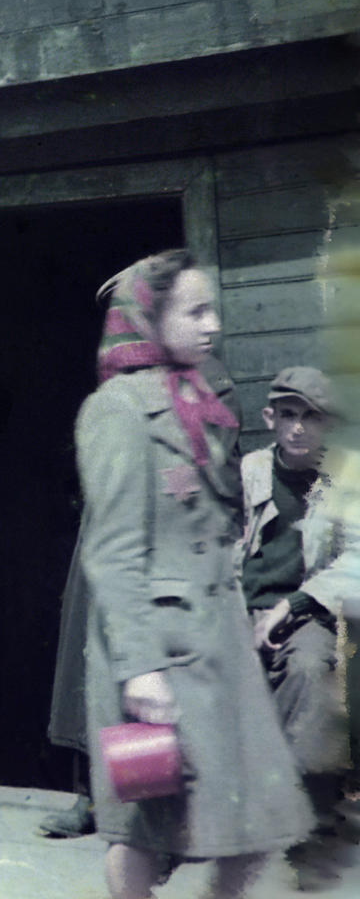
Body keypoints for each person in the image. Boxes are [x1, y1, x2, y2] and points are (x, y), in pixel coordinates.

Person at [75, 250, 313, 899]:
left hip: (219, 646)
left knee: (261, 823)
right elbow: (113, 552)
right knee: (146, 832)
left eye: (214, 309)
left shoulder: (199, 398)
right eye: (195, 311)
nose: (213, 325)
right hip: (164, 653)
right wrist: (140, 668)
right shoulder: (118, 411)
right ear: (149, 319)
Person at [238, 366, 358, 827]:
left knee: (308, 668)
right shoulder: (249, 471)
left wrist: (291, 607)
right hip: (242, 606)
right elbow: (224, 545)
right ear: (269, 417)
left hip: (307, 610)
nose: (298, 428)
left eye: (311, 417)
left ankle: (292, 804)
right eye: (288, 415)